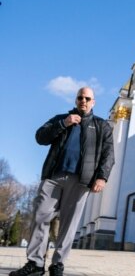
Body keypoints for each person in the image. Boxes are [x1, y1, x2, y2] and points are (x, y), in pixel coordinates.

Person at [11, 87, 114, 276]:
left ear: (93, 102)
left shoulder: (102, 126)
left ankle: (57, 264)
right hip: (53, 176)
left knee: (69, 224)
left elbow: (109, 154)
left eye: (87, 98)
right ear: (76, 100)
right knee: (40, 216)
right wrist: (63, 124)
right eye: (80, 97)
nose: (83, 100)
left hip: (81, 180)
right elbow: (40, 137)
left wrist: (102, 176)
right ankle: (35, 264)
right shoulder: (61, 119)